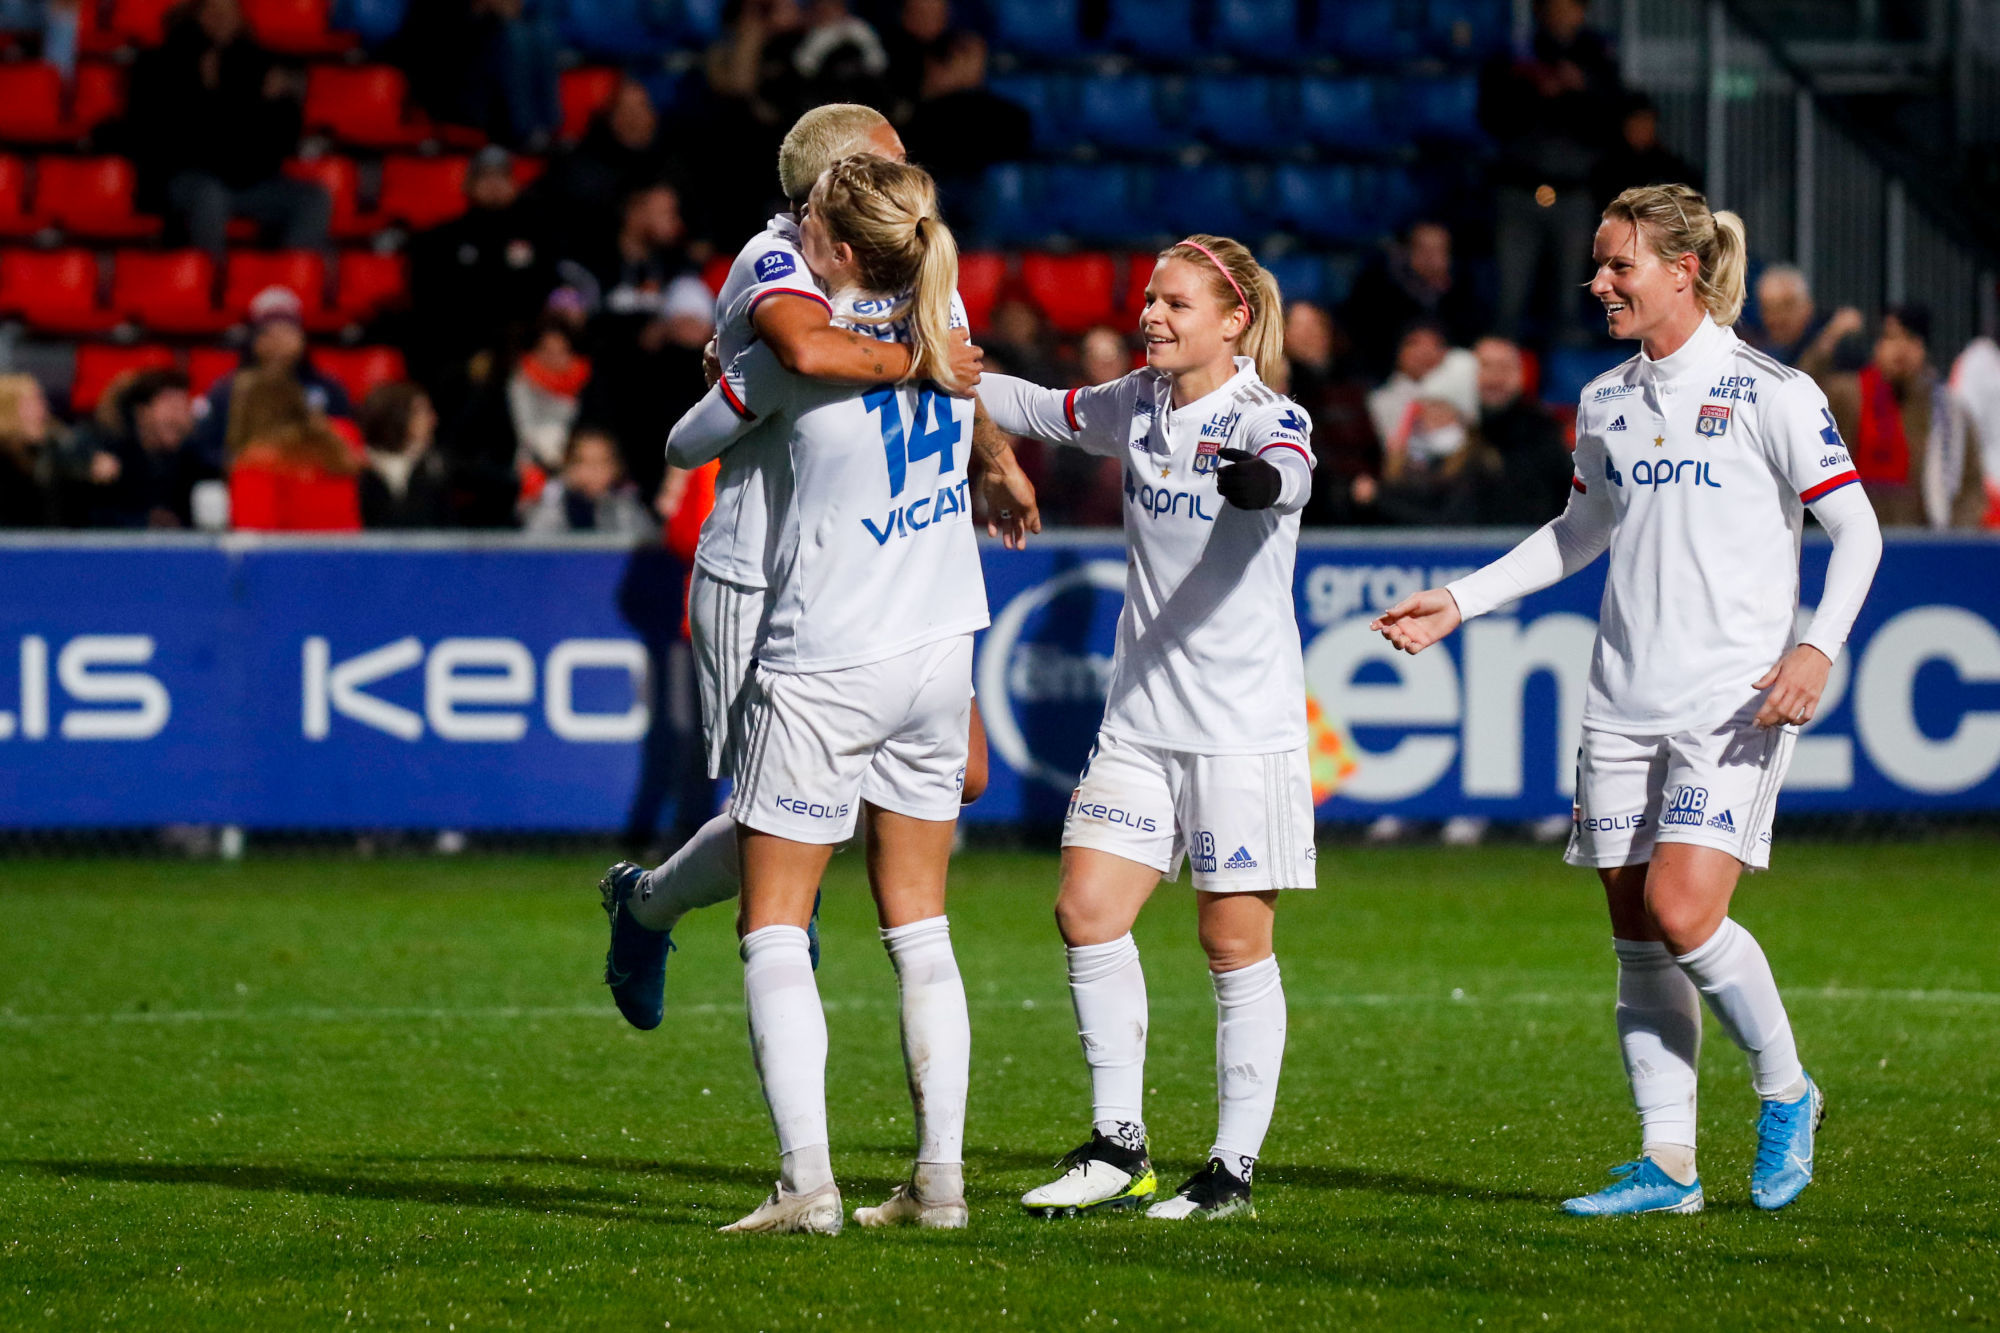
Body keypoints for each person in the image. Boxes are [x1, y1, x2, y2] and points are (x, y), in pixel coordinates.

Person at [1371, 184, 1883, 1215]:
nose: (1596, 281)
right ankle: (1669, 1164)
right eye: (1597, 266)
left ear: (1679, 270)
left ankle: (1786, 1087)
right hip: (1618, 700)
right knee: (1634, 933)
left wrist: (1814, 648)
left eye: (1616, 265)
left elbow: (1858, 533)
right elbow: (1577, 531)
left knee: (1682, 913)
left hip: (1725, 702)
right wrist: (1459, 603)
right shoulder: (1605, 400)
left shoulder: (1768, 392)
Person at [593, 102, 1034, 1035]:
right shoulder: (776, 257)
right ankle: (653, 910)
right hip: (767, 569)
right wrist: (917, 361)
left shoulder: (917, 264)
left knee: (965, 775)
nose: (912, 182)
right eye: (891, 163)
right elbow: (807, 349)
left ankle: (669, 896)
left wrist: (992, 455)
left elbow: (959, 371)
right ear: (836, 189)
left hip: (886, 566)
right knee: (778, 830)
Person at [658, 155, 987, 1235]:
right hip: (939, 647)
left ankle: (805, 1183)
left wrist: (732, 370)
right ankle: (938, 1181)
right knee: (921, 929)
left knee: (772, 922)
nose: (793, 232)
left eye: (807, 223)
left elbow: (683, 443)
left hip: (831, 654)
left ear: (840, 250)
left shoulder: (803, 354)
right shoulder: (943, 327)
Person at [976, 235, 1315, 1222]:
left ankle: (1231, 1171)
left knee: (1231, 939)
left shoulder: (1265, 416)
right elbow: (1037, 408)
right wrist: (935, 363)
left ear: (1232, 318)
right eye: (1147, 300)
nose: (1150, 316)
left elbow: (1284, 473)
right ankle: (1116, 1146)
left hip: (1238, 730)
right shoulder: (1136, 401)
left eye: (1172, 303)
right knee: (1085, 909)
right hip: (1137, 722)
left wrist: (1254, 482)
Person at [124, 0, 329, 256]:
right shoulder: (160, 64)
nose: (221, 19)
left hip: (247, 177)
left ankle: (284, 286)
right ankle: (212, 282)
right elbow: (170, 140)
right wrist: (206, 92)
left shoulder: (258, 65)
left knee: (313, 199)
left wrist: (276, 101)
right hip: (184, 178)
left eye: (228, 11)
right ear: (195, 14)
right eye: (212, 10)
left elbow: (281, 141)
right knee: (210, 194)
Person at [1479, 0, 1625, 343]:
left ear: (1582, 12)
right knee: (1509, 300)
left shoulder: (1598, 57)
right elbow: (1491, 118)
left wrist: (1581, 89)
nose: (1562, 15)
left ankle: (1567, 387)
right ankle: (1505, 382)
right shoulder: (1516, 54)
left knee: (1570, 302)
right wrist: (1532, 91)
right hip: (1519, 188)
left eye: (1570, 7)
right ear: (1539, 12)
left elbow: (1614, 123)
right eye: (1554, 7)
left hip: (1574, 193)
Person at [1821, 305, 1985, 528]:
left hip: (1926, 543)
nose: (1900, 349)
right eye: (1891, 338)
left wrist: (1955, 539)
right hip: (1853, 537)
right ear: (1877, 346)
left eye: (1910, 339)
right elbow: (1797, 398)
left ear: (1924, 348)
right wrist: (1829, 340)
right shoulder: (1848, 396)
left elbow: (1971, 486)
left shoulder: (1949, 413)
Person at [191, 286, 354, 477]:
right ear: (255, 340)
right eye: (268, 334)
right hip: (244, 483)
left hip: (310, 483)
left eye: (287, 332)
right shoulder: (227, 391)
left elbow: (345, 443)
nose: (278, 341)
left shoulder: (329, 390)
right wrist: (243, 462)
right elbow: (204, 449)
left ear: (301, 338)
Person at [1341, 221, 1486, 383]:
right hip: (1386, 380)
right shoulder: (1378, 289)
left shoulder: (1464, 294)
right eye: (1423, 248)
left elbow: (1469, 341)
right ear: (1409, 251)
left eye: (1438, 249)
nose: (1430, 257)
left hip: (1447, 380)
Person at [61, 368, 201, 528]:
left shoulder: (190, 460)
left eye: (183, 407)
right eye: (170, 406)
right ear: (142, 412)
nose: (178, 418)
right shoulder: (105, 449)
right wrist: (142, 522)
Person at [227, 369, 362, 531]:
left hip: (292, 554)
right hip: (351, 553)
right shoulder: (343, 438)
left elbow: (254, 535)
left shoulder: (255, 462)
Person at [522, 425, 656, 537]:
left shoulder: (628, 509)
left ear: (616, 468)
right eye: (584, 462)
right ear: (569, 467)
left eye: (602, 462)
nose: (593, 471)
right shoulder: (552, 507)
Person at [357, 381, 450, 528]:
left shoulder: (438, 466)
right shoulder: (358, 470)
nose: (433, 420)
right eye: (422, 412)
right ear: (396, 416)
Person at [1750, 266, 1862, 375]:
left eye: (1787, 306)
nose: (1777, 318)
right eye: (1768, 309)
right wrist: (1823, 346)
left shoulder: (1836, 332)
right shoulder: (1766, 351)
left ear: (1807, 306)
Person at [0, 373, 59, 528]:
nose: (42, 407)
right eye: (31, 401)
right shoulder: (5, 459)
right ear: (8, 407)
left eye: (40, 399)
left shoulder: (56, 448)